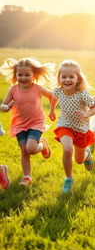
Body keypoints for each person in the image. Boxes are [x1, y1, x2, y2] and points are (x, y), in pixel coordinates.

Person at [0, 57, 54, 186]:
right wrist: (5, 107)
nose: (23, 77)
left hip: (36, 122)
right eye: (20, 75)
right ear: (15, 75)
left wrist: (52, 110)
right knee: (24, 151)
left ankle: (41, 145)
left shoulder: (37, 88)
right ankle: (27, 177)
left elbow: (52, 96)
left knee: (31, 148)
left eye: (27, 75)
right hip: (19, 125)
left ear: (34, 75)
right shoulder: (13, 89)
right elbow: (4, 106)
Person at [49, 60, 95, 193]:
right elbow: (54, 98)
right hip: (65, 125)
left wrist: (87, 113)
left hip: (80, 129)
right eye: (64, 76)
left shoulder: (82, 94)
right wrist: (52, 110)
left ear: (78, 79)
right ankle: (68, 178)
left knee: (79, 160)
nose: (67, 79)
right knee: (67, 149)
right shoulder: (58, 91)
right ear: (59, 78)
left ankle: (87, 155)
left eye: (71, 77)